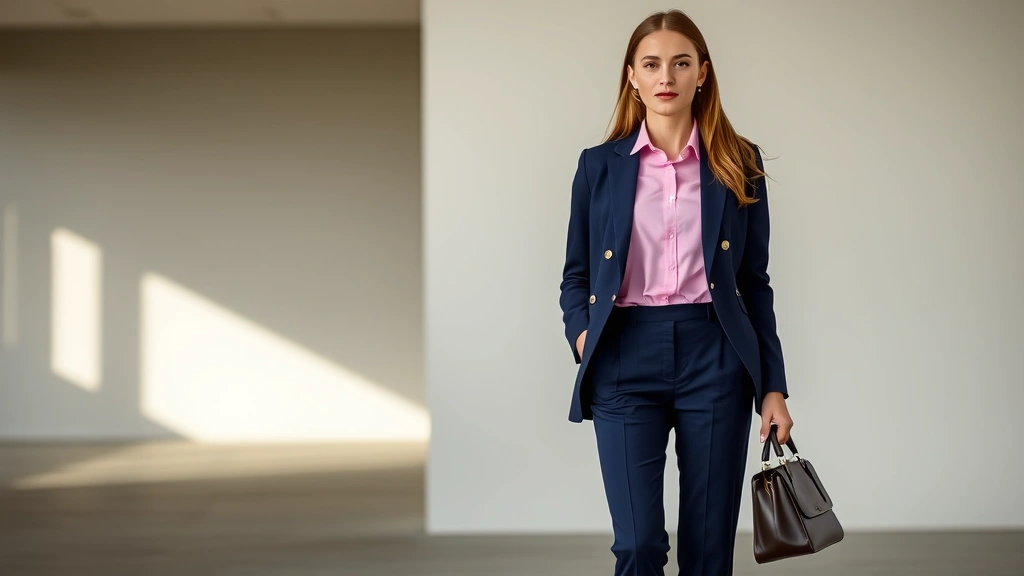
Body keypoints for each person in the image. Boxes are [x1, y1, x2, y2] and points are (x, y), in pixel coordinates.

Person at [558, 9, 794, 576]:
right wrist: (582, 333)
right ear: (632, 77)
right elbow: (576, 275)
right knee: (638, 545)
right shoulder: (597, 167)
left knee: (708, 549)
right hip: (622, 353)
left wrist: (773, 388)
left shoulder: (740, 162)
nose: (667, 76)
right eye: (652, 63)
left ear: (702, 74)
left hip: (714, 355)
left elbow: (753, 283)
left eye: (681, 63)